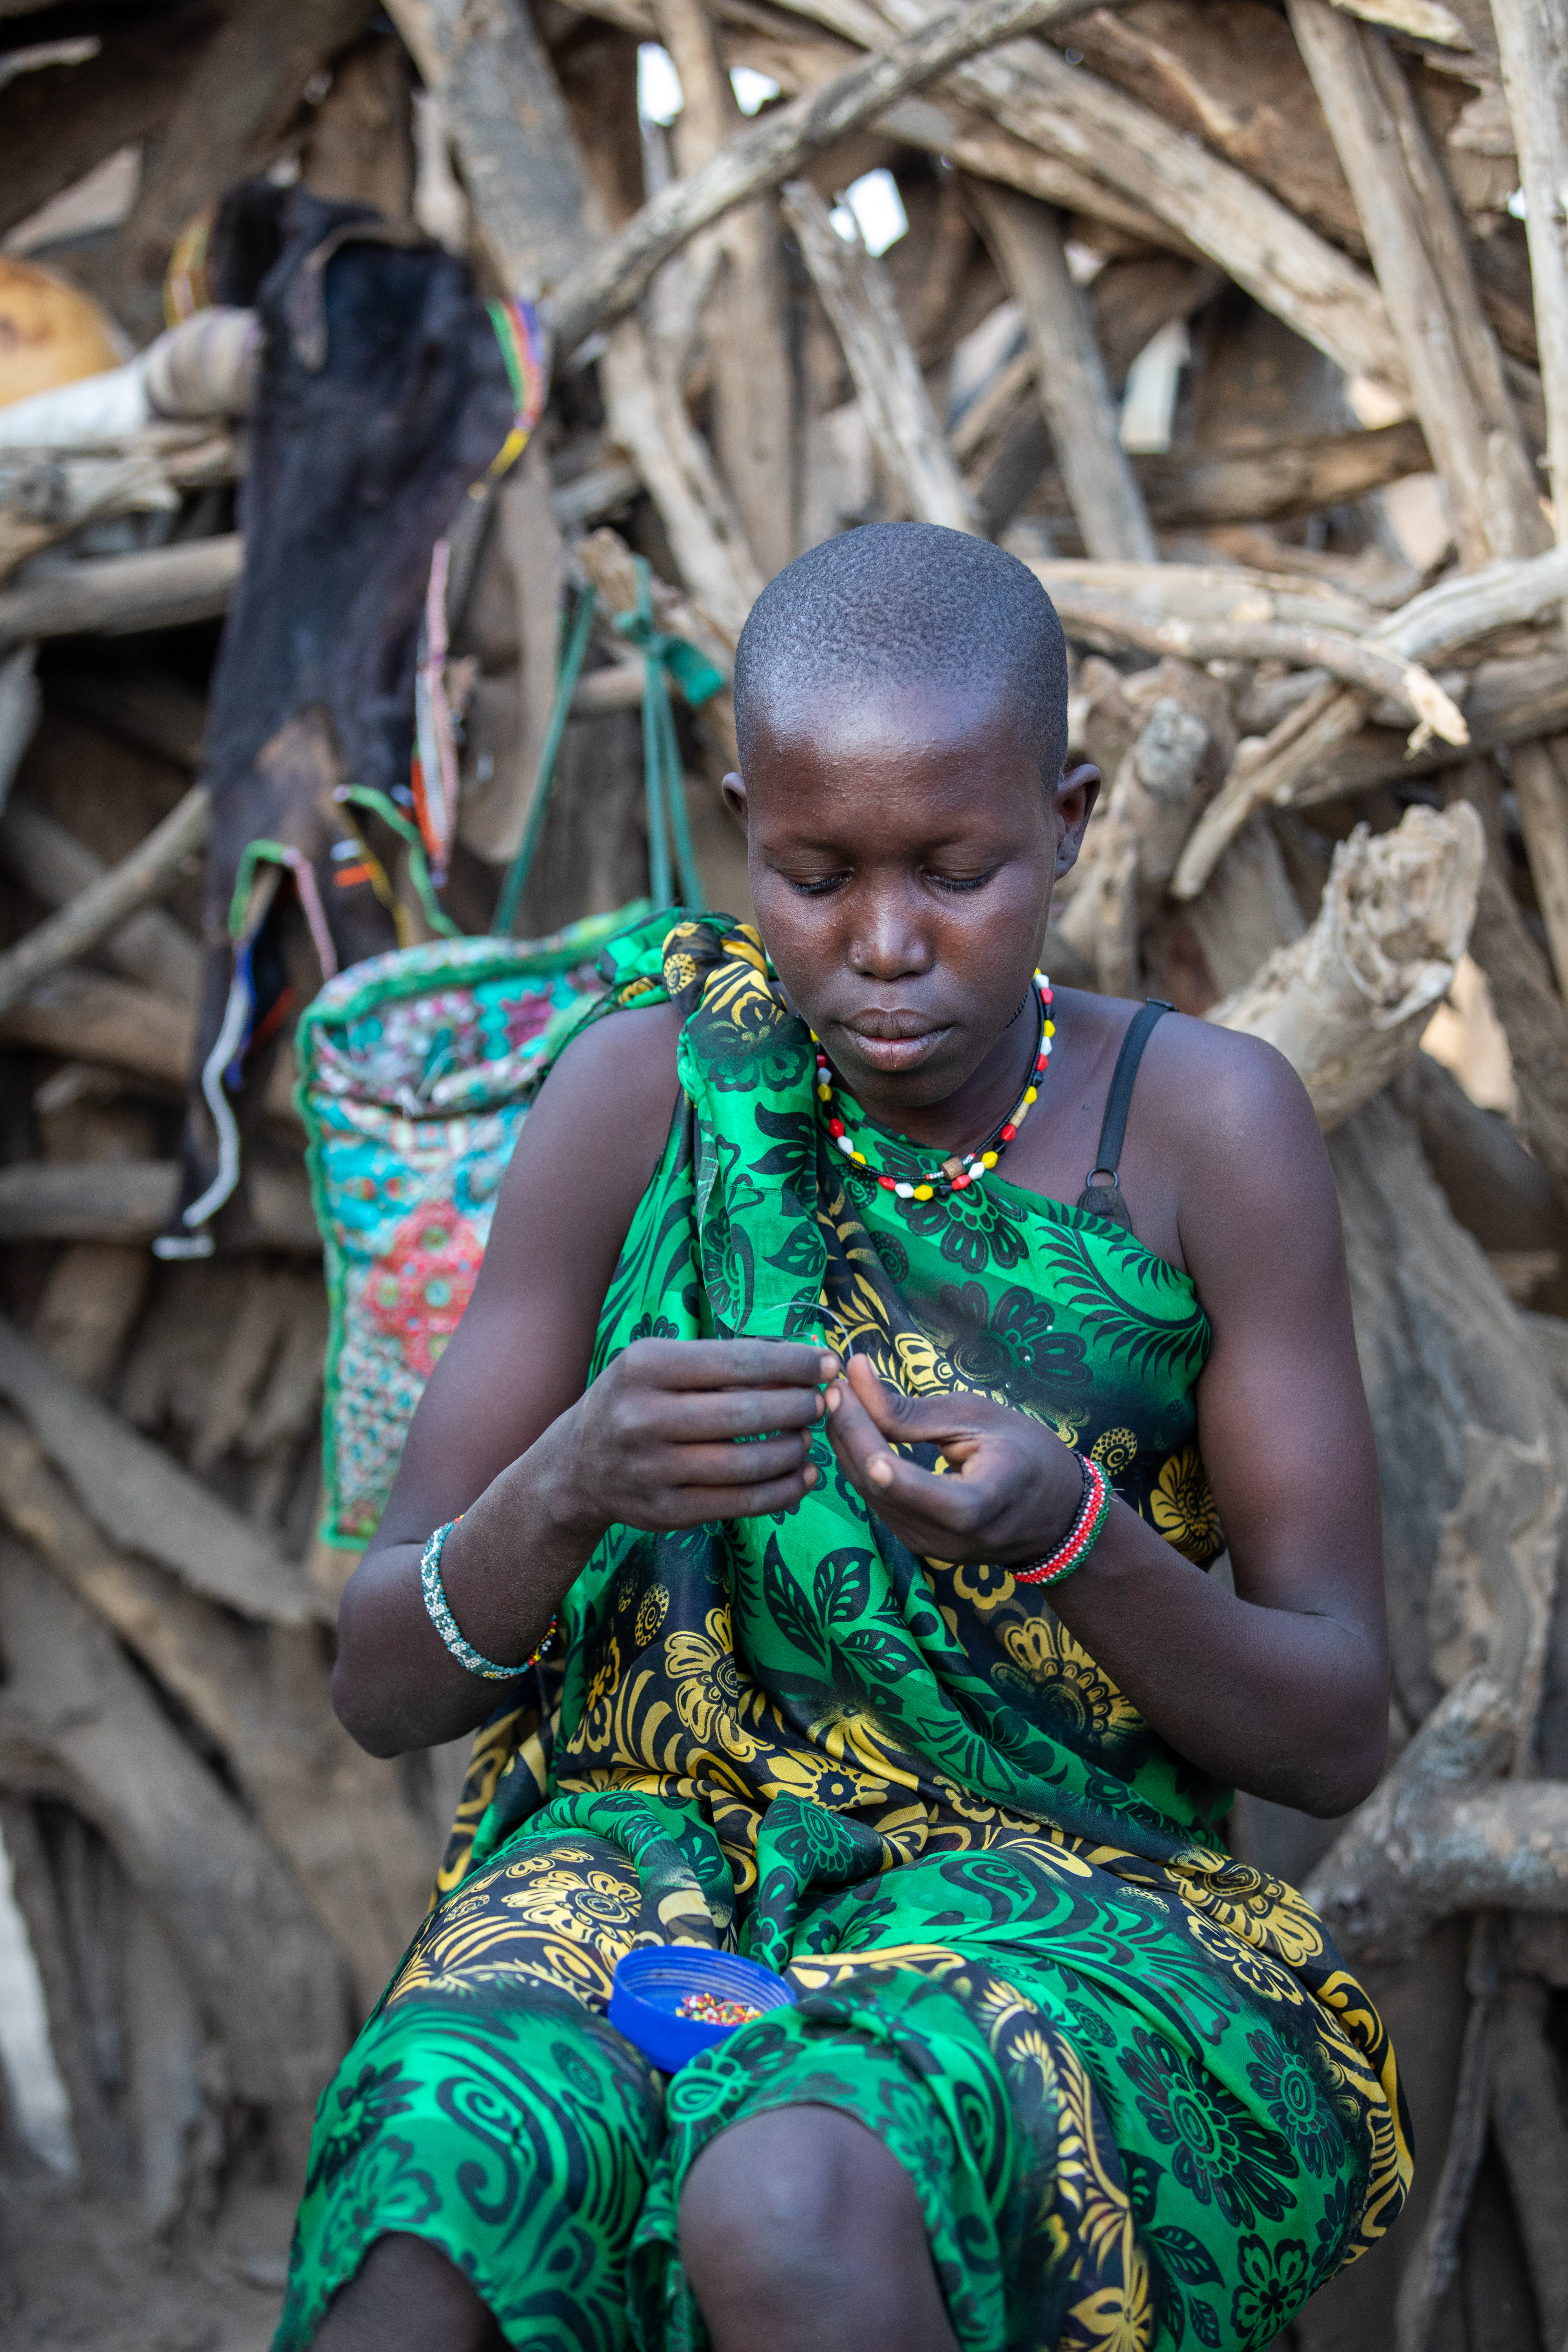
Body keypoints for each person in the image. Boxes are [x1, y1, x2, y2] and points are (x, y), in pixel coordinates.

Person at [278, 522, 1408, 2352]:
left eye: (956, 871)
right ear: (743, 828)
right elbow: (382, 1680)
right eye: (813, 875)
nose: (884, 946)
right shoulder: (642, 1097)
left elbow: (1340, 1726)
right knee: (441, 2173)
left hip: (1061, 1896)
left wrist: (1071, 1542)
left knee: (793, 2193)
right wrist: (572, 1485)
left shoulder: (1203, 1131)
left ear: (1072, 818)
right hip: (639, 1868)